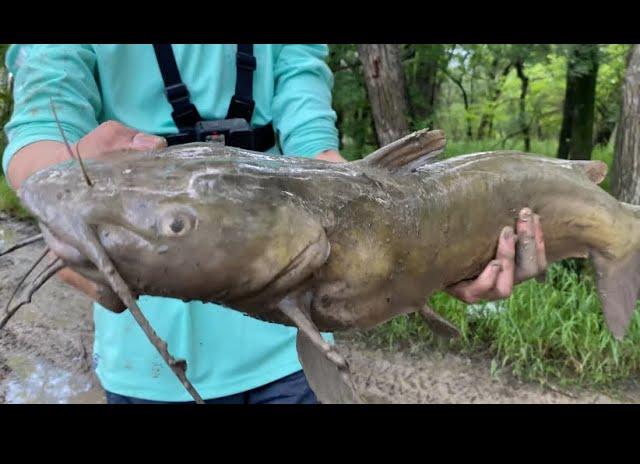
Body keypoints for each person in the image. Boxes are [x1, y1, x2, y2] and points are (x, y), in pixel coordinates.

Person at [2, 44, 546, 404]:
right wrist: (64, 186)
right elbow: (38, 127)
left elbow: (313, 136)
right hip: (147, 364)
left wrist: (432, 250)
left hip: (292, 351)